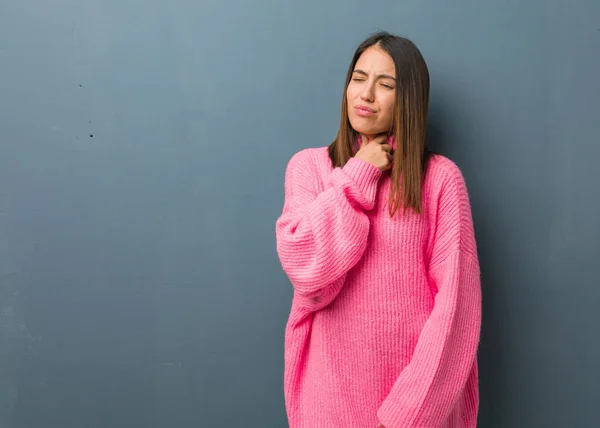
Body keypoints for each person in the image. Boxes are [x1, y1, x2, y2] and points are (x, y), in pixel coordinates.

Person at [275, 31, 481, 428]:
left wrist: (407, 414)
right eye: (358, 78)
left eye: (385, 84)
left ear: (409, 98)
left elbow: (457, 308)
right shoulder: (310, 168)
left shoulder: (439, 179)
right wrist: (360, 173)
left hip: (415, 407)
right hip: (329, 399)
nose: (366, 94)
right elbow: (307, 269)